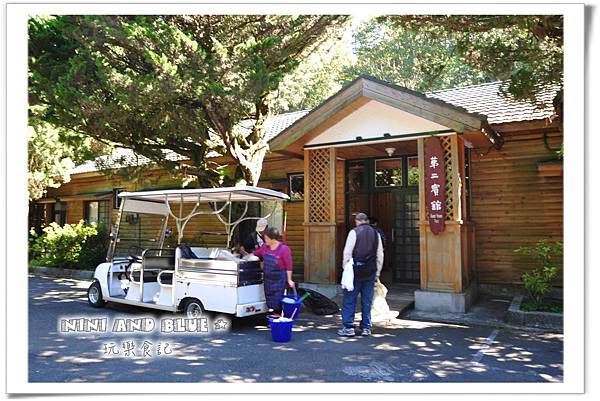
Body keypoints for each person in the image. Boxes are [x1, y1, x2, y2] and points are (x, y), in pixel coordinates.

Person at [338, 212, 384, 337]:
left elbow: (347, 253)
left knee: (349, 299)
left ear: (357, 221)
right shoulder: (376, 234)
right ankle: (366, 327)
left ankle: (349, 327)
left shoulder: (354, 232)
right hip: (370, 271)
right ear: (367, 221)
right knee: (367, 300)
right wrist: (378, 272)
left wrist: (345, 269)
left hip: (355, 271)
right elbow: (380, 254)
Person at [248, 226, 294, 315]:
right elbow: (256, 253)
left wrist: (289, 280)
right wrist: (246, 257)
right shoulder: (265, 247)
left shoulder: (284, 249)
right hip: (268, 279)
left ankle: (277, 318)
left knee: (278, 301)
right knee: (269, 300)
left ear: (272, 239)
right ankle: (273, 318)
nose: (265, 240)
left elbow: (289, 266)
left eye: (266, 238)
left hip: (279, 279)